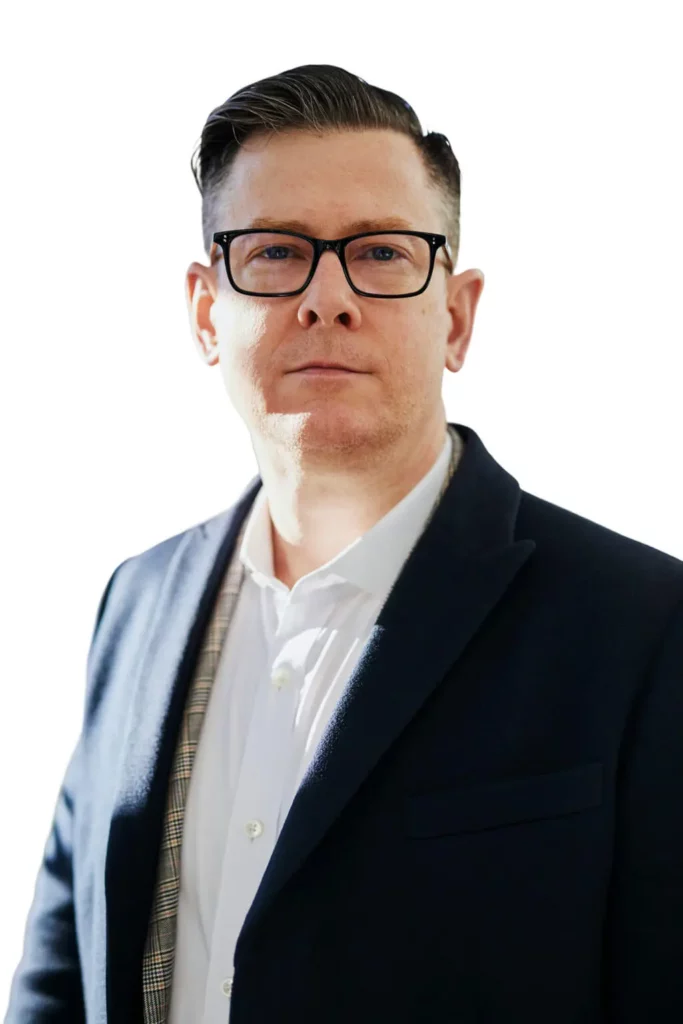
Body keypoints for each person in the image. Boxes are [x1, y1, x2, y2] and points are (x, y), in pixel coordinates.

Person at [5, 63, 683, 1024]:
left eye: (379, 253)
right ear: (207, 311)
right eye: (277, 253)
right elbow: (58, 981)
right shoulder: (136, 600)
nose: (327, 298)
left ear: (454, 313)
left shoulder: (643, 627)